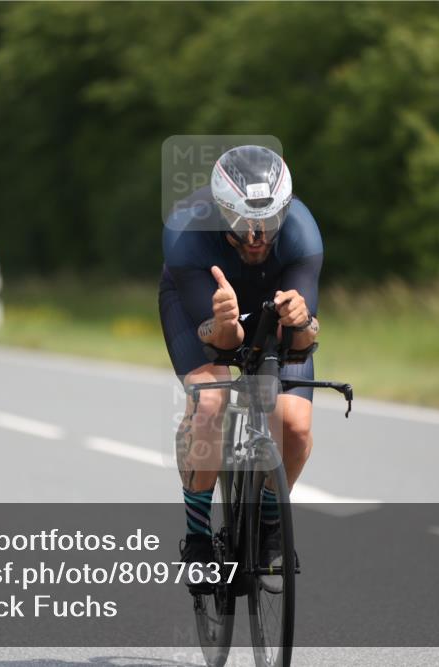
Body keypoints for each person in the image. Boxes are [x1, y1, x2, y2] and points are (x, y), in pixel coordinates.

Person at [159, 145, 323, 593]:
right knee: (210, 403)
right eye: (241, 222)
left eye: (268, 222)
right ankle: (197, 540)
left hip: (270, 303)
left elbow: (301, 343)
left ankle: (270, 525)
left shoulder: (302, 234)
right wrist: (227, 321)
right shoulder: (186, 231)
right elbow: (221, 343)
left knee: (294, 424)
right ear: (219, 211)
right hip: (204, 310)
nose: (255, 237)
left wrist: (301, 322)